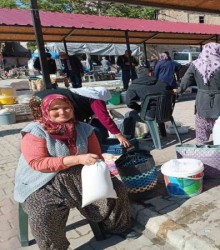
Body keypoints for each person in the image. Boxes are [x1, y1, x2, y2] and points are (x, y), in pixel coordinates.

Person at [14, 94, 139, 250]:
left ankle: (118, 226)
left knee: (117, 189)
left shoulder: (85, 129)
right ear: (46, 110)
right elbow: (37, 163)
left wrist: (104, 174)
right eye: (55, 108)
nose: (62, 112)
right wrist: (77, 159)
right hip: (42, 182)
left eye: (67, 107)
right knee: (43, 214)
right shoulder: (35, 131)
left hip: (79, 178)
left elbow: (97, 157)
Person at [31, 87, 131, 147]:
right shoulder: (96, 98)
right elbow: (104, 117)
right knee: (48, 126)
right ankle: (53, 146)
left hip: (36, 98)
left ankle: (50, 144)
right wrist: (119, 135)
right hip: (46, 101)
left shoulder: (84, 93)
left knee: (45, 124)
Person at [178, 42, 220, 145]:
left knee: (202, 126)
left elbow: (185, 80)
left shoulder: (195, 64)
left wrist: (179, 91)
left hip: (202, 100)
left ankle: (202, 148)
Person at [126, 69, 173, 137]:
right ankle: (163, 133)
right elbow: (171, 92)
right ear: (150, 74)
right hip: (166, 113)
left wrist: (139, 108)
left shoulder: (134, 86)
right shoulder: (162, 82)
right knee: (157, 107)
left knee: (128, 115)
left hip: (149, 116)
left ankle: (128, 137)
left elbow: (129, 103)